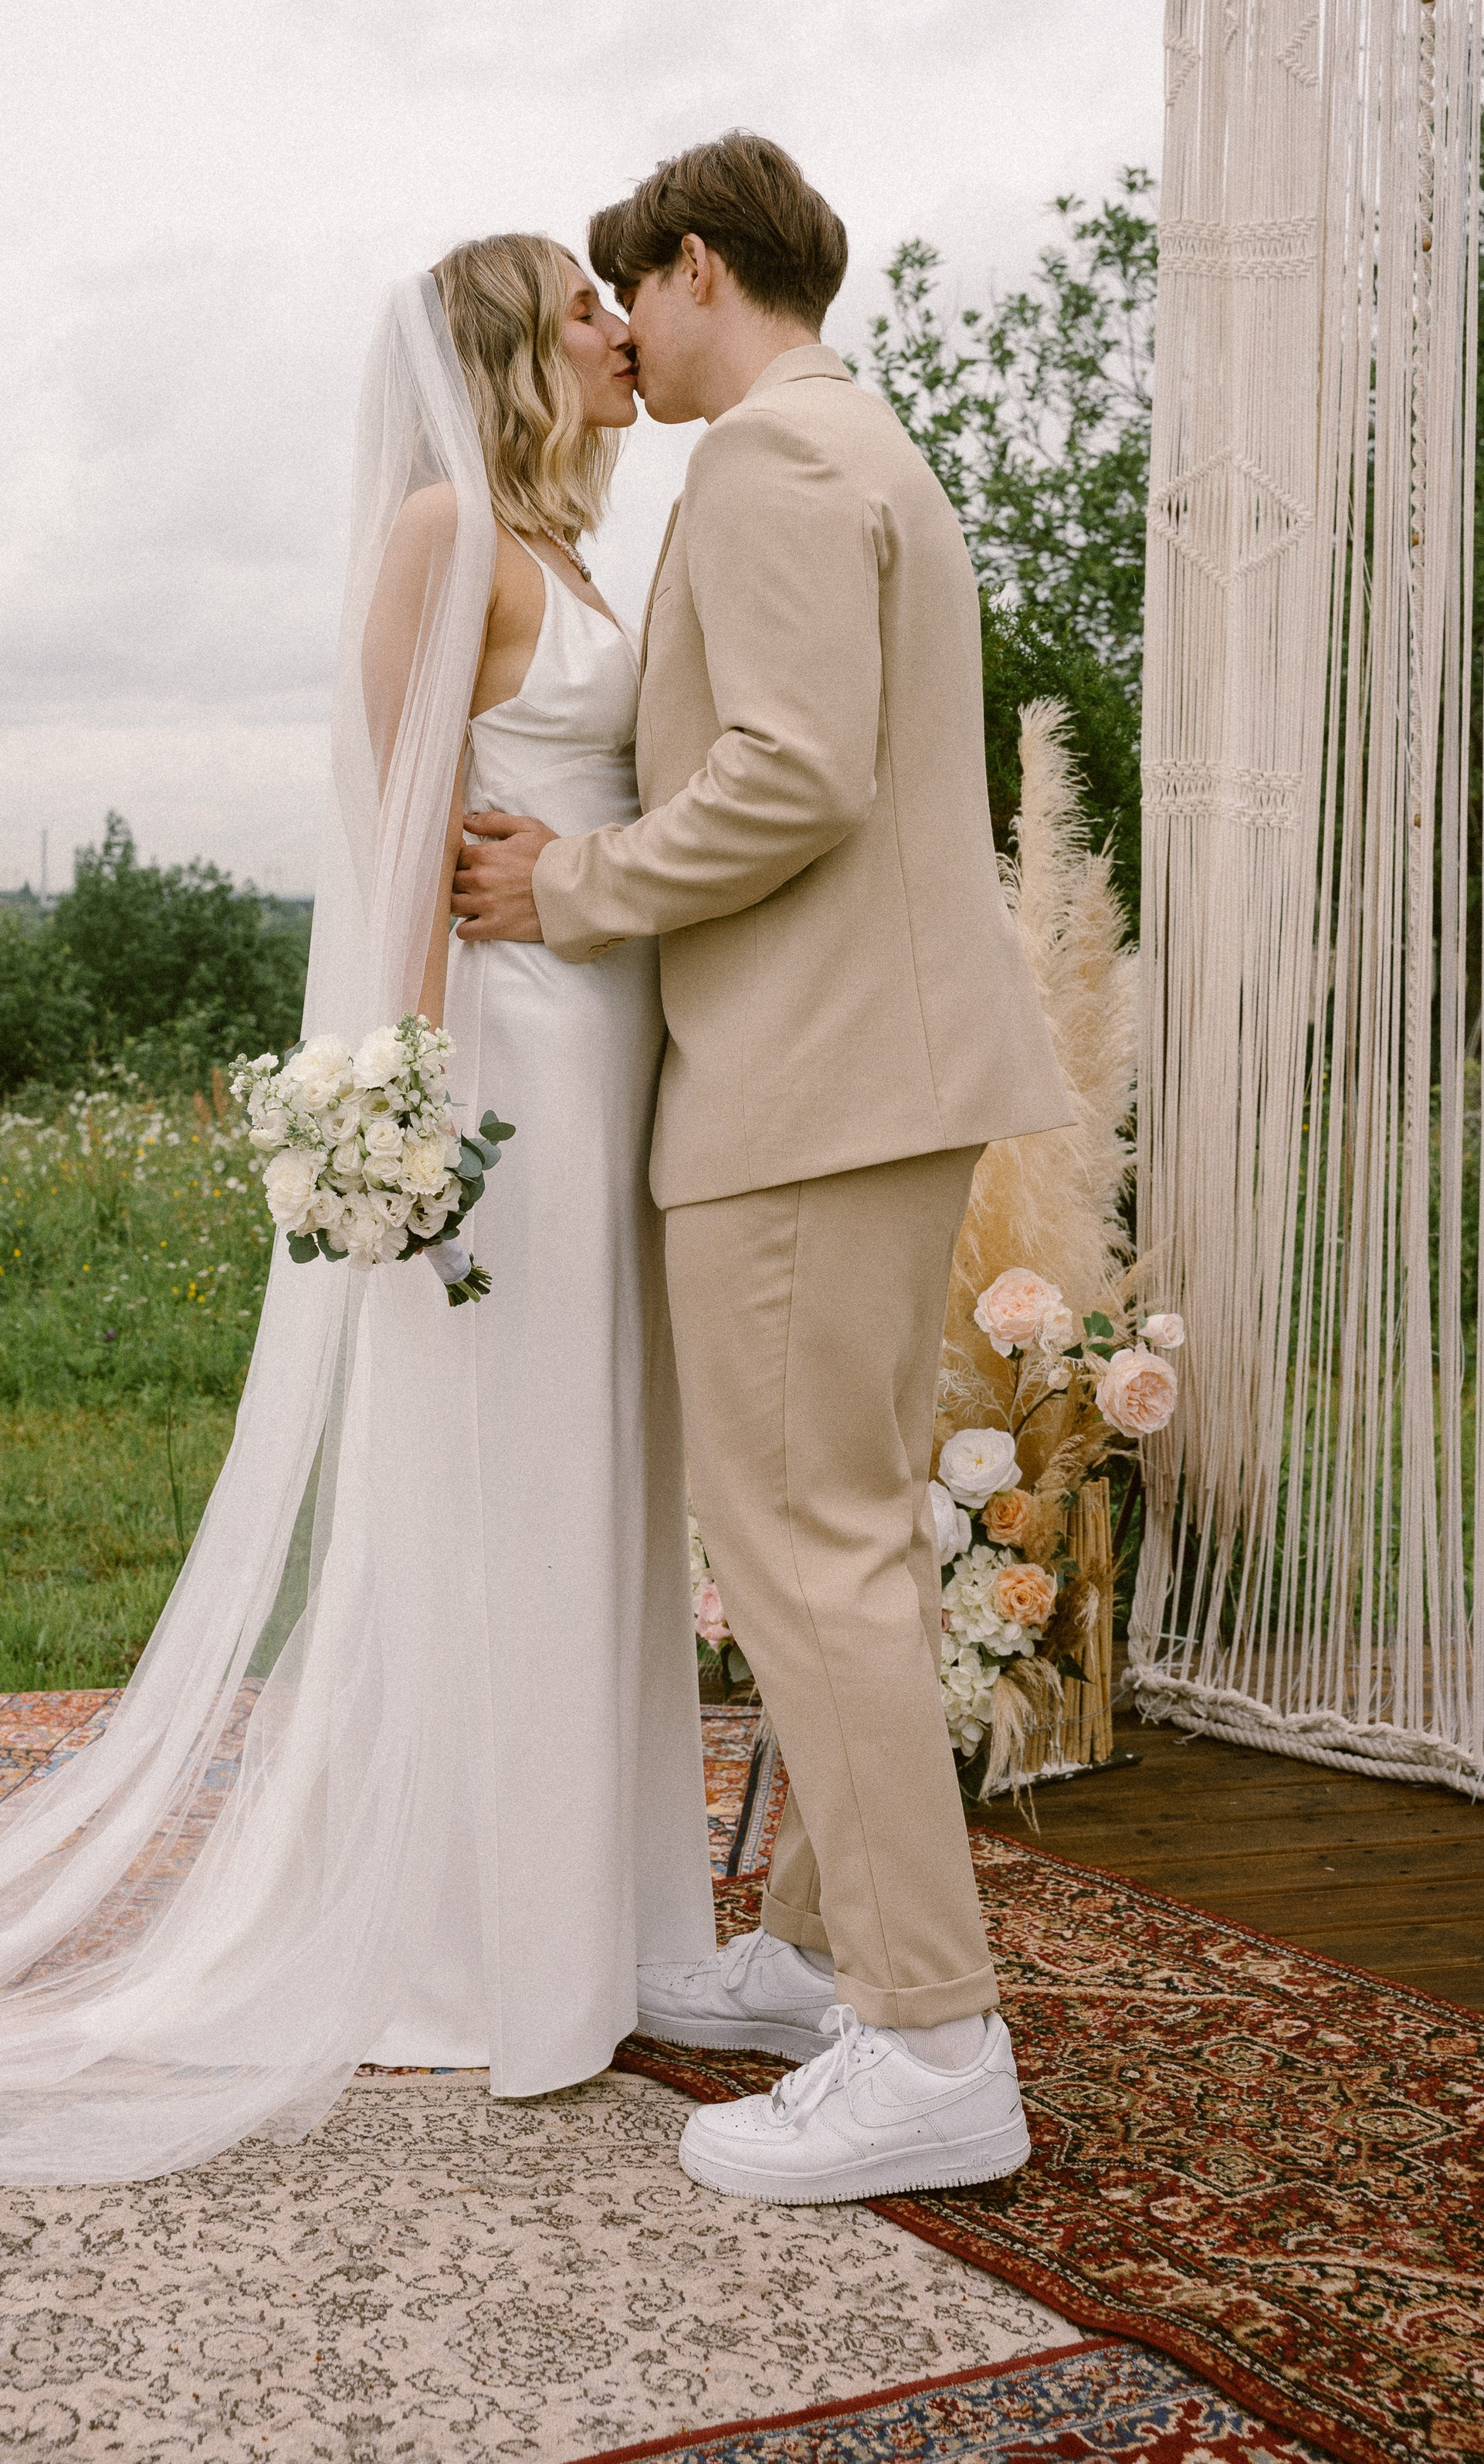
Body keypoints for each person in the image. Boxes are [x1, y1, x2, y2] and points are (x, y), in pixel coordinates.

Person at [0, 238, 714, 2181]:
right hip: (507, 1058)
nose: (626, 330)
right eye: (590, 308)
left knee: (596, 1478)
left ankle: (592, 1927)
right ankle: (469, 1944)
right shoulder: (449, 529)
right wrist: (408, 1102)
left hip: (608, 1050)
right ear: (518, 347)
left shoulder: (581, 545)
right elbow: (400, 817)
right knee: (506, 1476)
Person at [452, 132, 1071, 2204]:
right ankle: (824, 1958)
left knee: (802, 1545)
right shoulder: (858, 444)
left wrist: (578, 887)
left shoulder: (775, 468)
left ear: (701, 264)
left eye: (636, 295)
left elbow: (791, 773)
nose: (623, 338)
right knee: (857, 1542)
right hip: (877, 1072)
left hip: (811, 1088)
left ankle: (930, 2047)